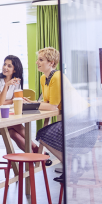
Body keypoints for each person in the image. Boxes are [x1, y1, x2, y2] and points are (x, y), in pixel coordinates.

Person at [27, 47, 64, 181]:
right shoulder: (44, 78)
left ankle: (67, 162)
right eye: (38, 59)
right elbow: (46, 102)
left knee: (42, 135)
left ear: (52, 63)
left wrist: (32, 104)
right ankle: (67, 162)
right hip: (65, 118)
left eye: (41, 60)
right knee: (42, 134)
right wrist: (33, 103)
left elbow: (52, 107)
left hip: (76, 119)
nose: (37, 62)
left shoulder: (57, 76)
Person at [0, 55, 38, 153]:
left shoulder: (16, 81)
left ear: (15, 70)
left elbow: (13, 100)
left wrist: (3, 102)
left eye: (9, 66)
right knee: (18, 126)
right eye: (4, 64)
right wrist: (7, 86)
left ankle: (32, 155)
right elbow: (1, 102)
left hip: (7, 114)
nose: (5, 67)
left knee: (13, 133)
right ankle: (37, 150)